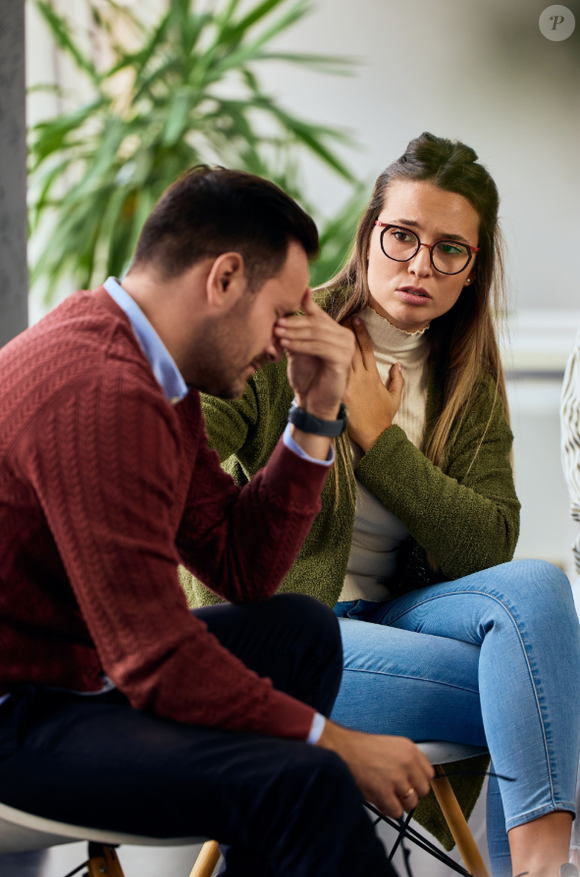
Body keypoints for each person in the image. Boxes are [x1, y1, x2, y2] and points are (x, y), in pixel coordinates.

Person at [0, 166, 437, 877]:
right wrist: (337, 742)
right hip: (22, 712)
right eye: (283, 313)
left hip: (79, 674)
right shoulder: (105, 391)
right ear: (225, 278)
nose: (283, 344)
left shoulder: (148, 369)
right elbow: (159, 661)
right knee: (307, 778)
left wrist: (317, 414)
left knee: (300, 634)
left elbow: (239, 564)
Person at [184, 135, 580, 877]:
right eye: (402, 237)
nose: (421, 265)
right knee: (549, 683)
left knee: (538, 588)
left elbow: (486, 545)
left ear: (474, 271)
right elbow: (177, 446)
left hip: (398, 621)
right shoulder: (284, 335)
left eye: (450, 250)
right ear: (369, 236)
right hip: (290, 636)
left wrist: (378, 438)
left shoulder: (468, 381)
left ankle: (538, 871)